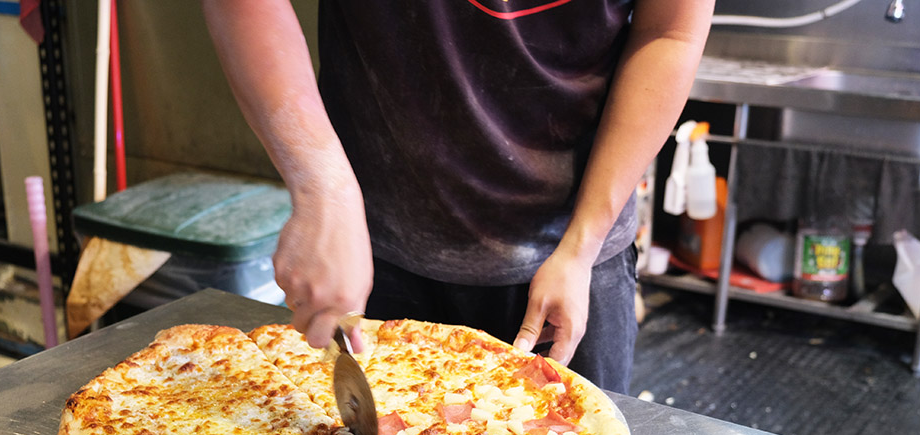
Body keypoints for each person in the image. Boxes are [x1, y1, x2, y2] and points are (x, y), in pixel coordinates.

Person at [202, 0, 714, 393]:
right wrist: (321, 188)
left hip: (571, 259)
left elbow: (670, 29)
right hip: (368, 252)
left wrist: (582, 246)